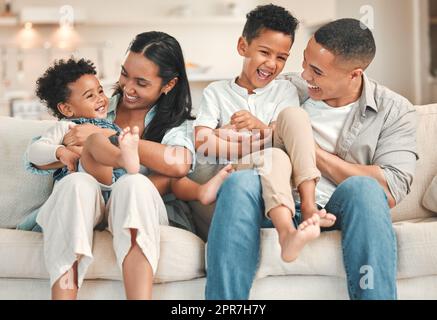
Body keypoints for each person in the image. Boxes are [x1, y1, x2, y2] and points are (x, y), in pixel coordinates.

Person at [206, 18, 418, 300]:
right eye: (304, 62)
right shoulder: (285, 87)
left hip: (336, 211)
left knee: (366, 189)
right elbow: (224, 128)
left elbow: (390, 189)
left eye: (316, 71)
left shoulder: (394, 110)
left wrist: (307, 148)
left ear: (354, 75)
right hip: (274, 200)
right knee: (240, 182)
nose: (304, 75)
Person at [23, 31, 196, 300]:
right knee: (75, 183)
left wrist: (109, 138)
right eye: (124, 74)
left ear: (169, 84)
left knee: (134, 183)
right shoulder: (97, 106)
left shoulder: (176, 124)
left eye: (141, 82)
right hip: (88, 198)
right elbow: (40, 156)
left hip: (131, 203)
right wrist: (64, 151)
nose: (127, 87)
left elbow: (179, 163)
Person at [177, 4, 336, 262]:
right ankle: (287, 233)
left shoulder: (285, 92)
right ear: (243, 47)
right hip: (234, 177)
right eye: (264, 52)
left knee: (291, 125)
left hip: (274, 174)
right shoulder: (217, 92)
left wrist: (239, 132)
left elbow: (286, 136)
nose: (272, 64)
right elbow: (203, 142)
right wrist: (260, 138)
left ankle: (308, 207)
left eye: (282, 57)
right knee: (274, 153)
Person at [28, 58, 141, 196]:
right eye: (90, 96)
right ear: (67, 109)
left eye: (100, 91)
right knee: (96, 140)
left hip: (112, 190)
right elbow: (33, 152)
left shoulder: (112, 127)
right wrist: (62, 152)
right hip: (80, 191)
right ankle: (122, 159)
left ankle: (124, 158)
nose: (100, 98)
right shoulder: (66, 127)